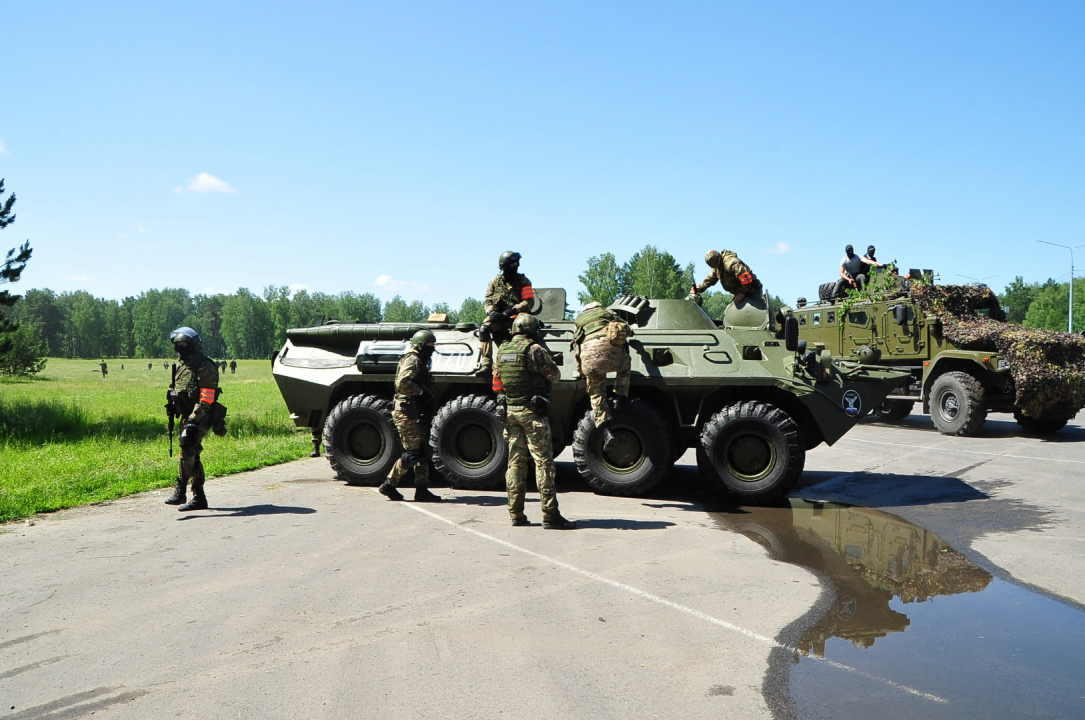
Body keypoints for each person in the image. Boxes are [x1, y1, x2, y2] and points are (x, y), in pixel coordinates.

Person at [493, 314, 575, 529]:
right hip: (532, 413)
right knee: (543, 463)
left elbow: (497, 381)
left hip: (510, 412)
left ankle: (516, 513)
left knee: (515, 463)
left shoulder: (502, 350)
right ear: (533, 330)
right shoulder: (535, 350)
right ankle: (550, 515)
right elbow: (555, 375)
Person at [378, 330, 442, 503]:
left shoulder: (420, 360)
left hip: (415, 411)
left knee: (422, 452)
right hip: (406, 412)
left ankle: (422, 490)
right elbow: (403, 382)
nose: (432, 349)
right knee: (412, 453)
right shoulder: (412, 359)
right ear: (421, 345)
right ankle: (389, 484)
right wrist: (421, 392)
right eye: (430, 346)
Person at [163, 327, 220, 511]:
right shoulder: (183, 367)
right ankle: (199, 497)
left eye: (184, 344)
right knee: (191, 453)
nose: (181, 347)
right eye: (178, 344)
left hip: (201, 416)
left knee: (188, 448)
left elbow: (207, 397)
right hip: (187, 415)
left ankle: (181, 490)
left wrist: (194, 420)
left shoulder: (204, 366)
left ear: (193, 345)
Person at [573, 302, 632, 443]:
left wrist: (581, 369)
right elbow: (626, 328)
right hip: (612, 354)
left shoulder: (579, 320)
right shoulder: (608, 312)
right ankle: (620, 396)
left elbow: (575, 343)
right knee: (624, 367)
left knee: (597, 394)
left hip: (589, 359)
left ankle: (606, 431)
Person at [475, 251, 535, 376]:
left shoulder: (524, 281)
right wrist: (491, 312)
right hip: (499, 318)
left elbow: (529, 302)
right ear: (503, 267)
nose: (515, 266)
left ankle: (528, 362)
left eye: (516, 264)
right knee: (483, 329)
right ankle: (486, 364)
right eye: (512, 264)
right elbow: (488, 300)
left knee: (526, 332)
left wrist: (514, 309)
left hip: (518, 318)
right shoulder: (494, 282)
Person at [691, 250, 762, 306]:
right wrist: (699, 288)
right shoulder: (718, 266)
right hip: (740, 293)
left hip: (751, 290)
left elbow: (745, 277)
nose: (712, 267)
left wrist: (742, 293)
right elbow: (710, 279)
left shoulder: (731, 263)